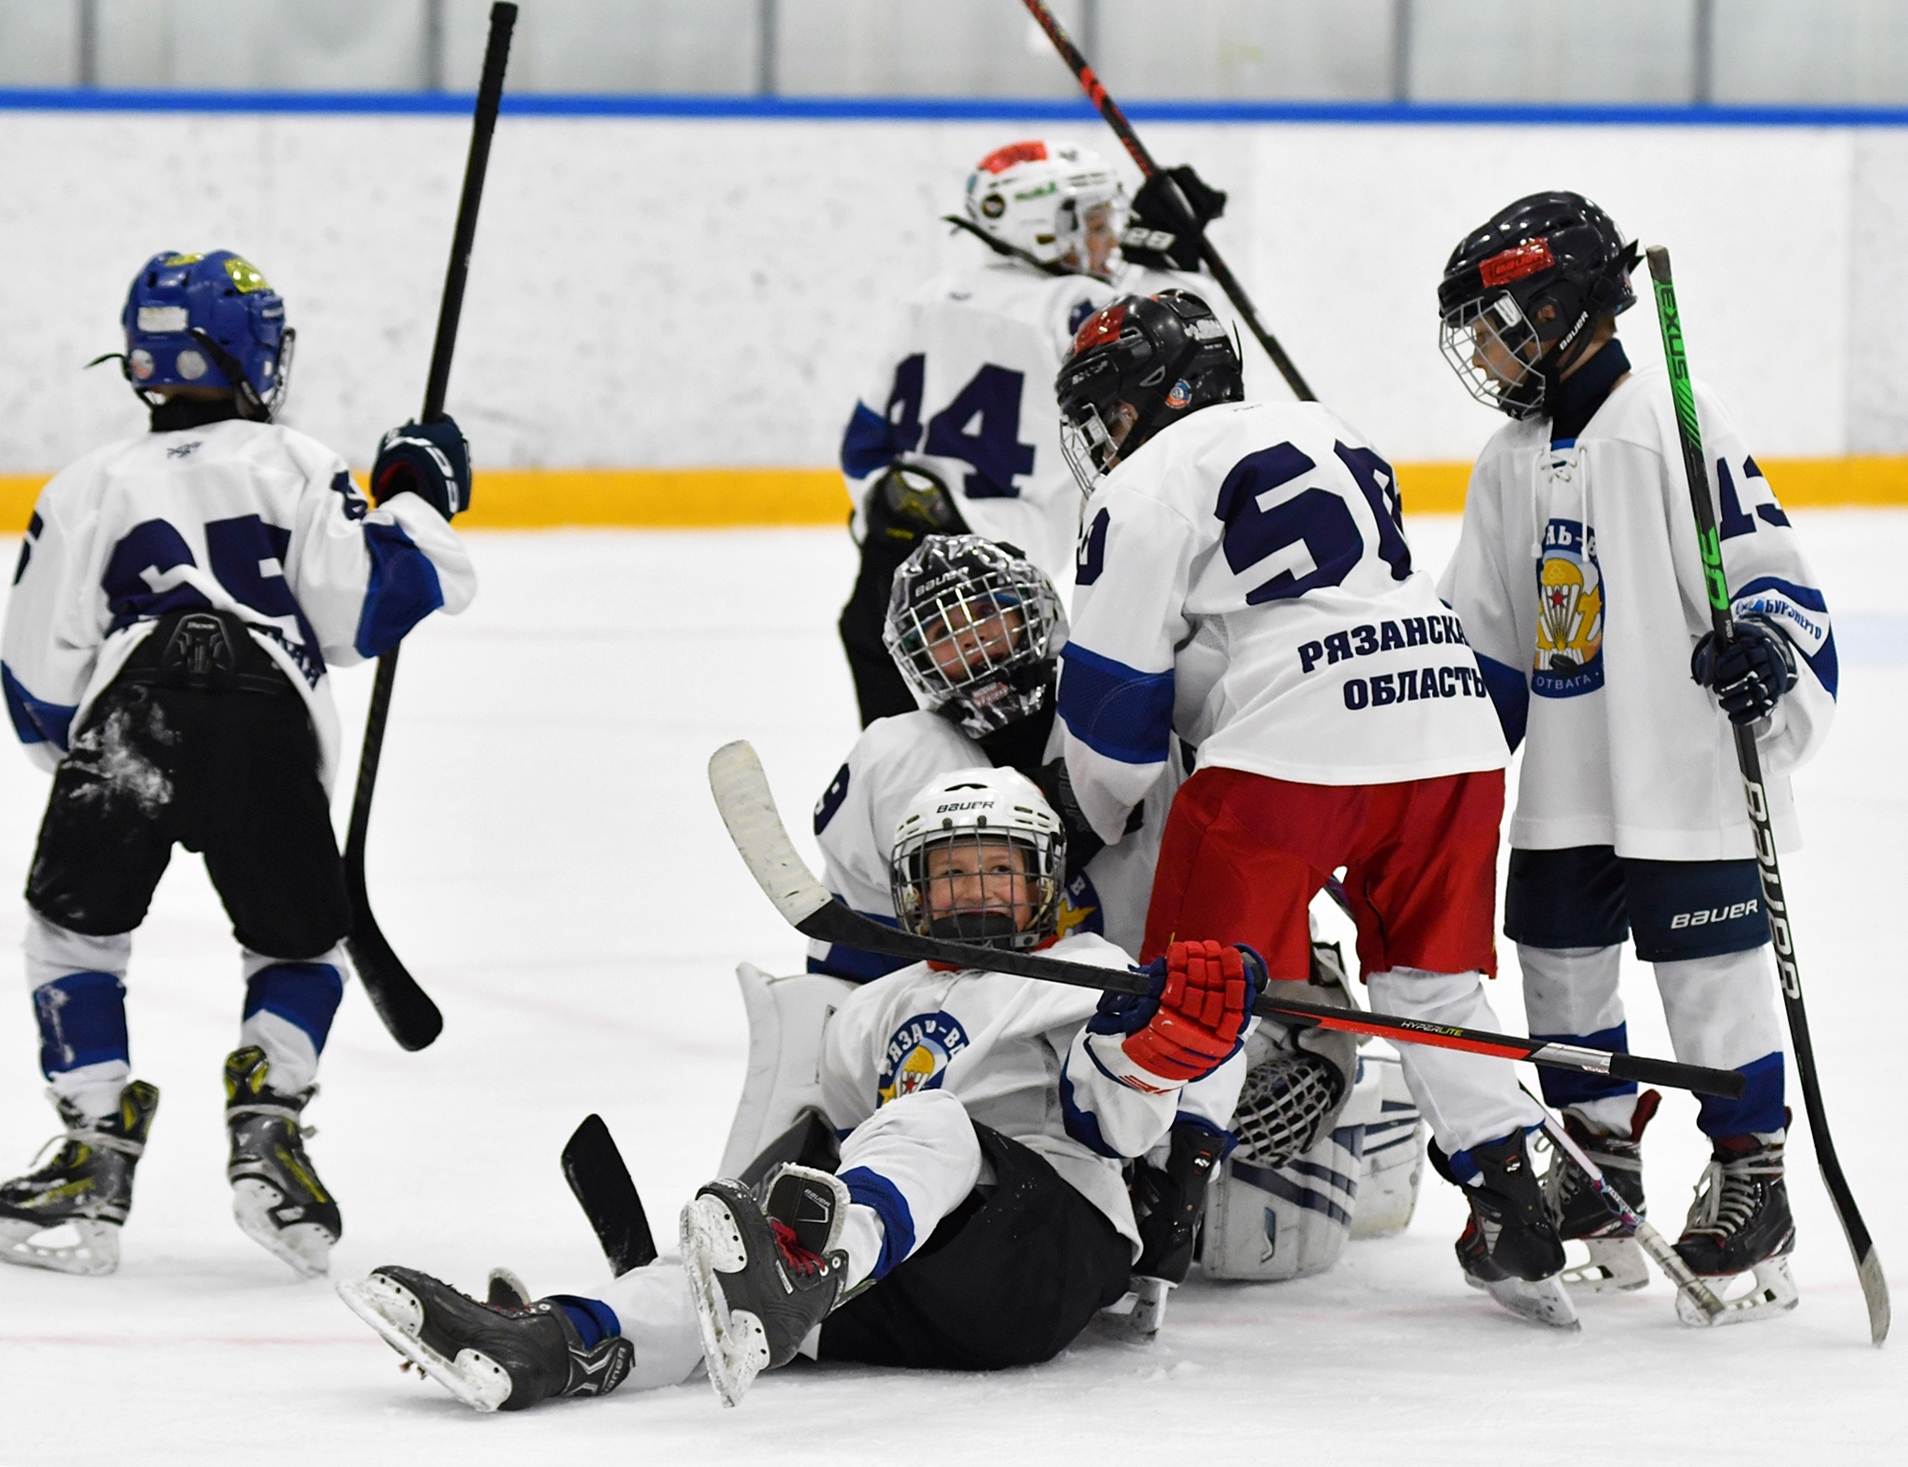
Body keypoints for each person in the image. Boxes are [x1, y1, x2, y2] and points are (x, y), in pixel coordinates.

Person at [338, 768, 1262, 1410]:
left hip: (1038, 1261)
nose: (975, 888)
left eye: (997, 867)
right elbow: (842, 1146)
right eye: (951, 870)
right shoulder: (871, 1008)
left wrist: (1151, 1049)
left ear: (1042, 882)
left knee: (928, 1120)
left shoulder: (1093, 972)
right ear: (911, 888)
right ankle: (556, 1344)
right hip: (912, 1283)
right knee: (715, 1285)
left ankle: (805, 1274)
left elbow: (1115, 1126)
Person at [1051, 288, 1577, 1327]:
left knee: (1205, 989)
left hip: (1286, 755)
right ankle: (1516, 1209)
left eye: (1107, 410)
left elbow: (1112, 713)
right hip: (1452, 732)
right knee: (1432, 987)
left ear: (1152, 398)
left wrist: (1088, 824)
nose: (1104, 437)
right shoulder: (1328, 427)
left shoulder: (1144, 482)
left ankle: (1163, 1223)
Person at [0, 249, 476, 1278]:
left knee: (73, 933)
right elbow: (363, 613)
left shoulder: (85, 486)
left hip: (127, 720)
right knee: (298, 944)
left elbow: (36, 680)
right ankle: (270, 1130)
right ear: (249, 352)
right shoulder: (294, 461)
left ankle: (91, 1150)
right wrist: (415, 503)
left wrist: (87, 764)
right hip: (268, 727)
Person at [1433, 192, 1835, 1312]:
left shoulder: (1670, 418)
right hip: (1566, 776)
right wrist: (1438, 760)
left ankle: (1753, 1172)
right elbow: (1487, 644)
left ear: (1562, 306)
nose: (1482, 353)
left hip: (1680, 767)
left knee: (1709, 982)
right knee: (1557, 966)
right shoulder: (1505, 460)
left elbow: (1772, 572)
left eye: (1494, 326)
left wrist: (1767, 649)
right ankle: (1594, 1161)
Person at [834, 139, 1123, 724]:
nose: (1112, 242)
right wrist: (1178, 259)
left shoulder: (931, 298)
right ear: (1043, 230)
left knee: (901, 749)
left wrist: (898, 515)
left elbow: (862, 445)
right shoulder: (1079, 305)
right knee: (1014, 763)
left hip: (889, 579)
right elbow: (1171, 377)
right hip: (996, 602)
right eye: (1096, 225)